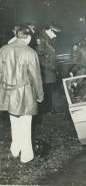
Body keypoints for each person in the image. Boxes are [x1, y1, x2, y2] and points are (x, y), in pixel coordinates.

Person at [0, 24, 44, 163]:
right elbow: (36, 77)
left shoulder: (3, 49)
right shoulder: (30, 52)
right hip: (24, 92)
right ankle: (26, 154)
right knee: (26, 123)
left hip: (8, 91)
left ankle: (15, 148)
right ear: (29, 37)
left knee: (14, 121)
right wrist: (40, 95)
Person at [35, 22, 61, 113]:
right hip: (44, 69)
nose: (57, 36)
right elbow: (38, 56)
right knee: (45, 89)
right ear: (50, 30)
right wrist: (49, 65)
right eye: (56, 33)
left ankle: (49, 109)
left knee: (49, 89)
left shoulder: (49, 37)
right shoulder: (41, 38)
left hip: (49, 68)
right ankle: (45, 110)